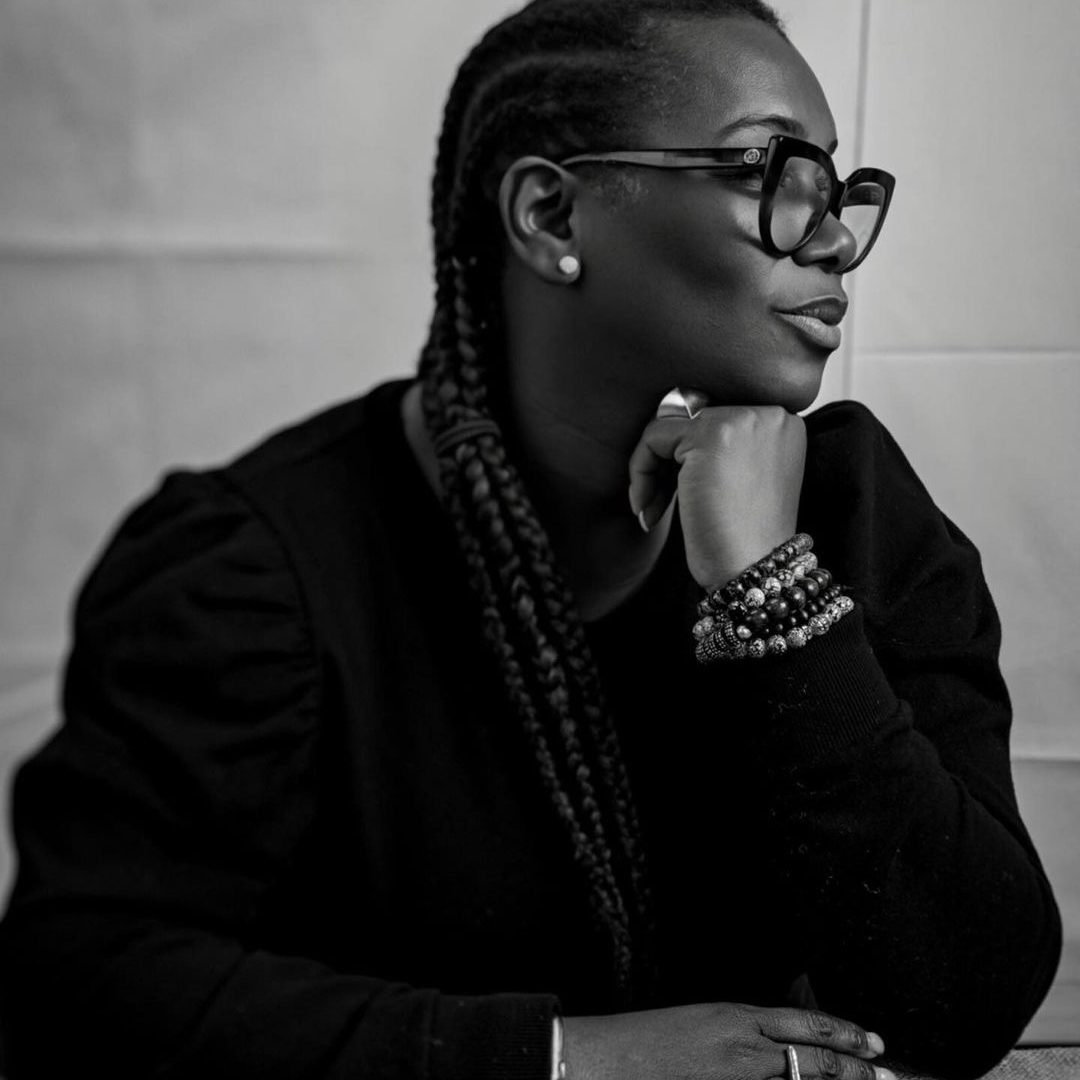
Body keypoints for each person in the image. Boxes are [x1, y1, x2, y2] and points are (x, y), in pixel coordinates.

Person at [0, 1, 1062, 1078]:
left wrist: (770, 592)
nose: (834, 235)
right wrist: (560, 1061)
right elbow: (79, 985)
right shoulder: (263, 570)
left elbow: (968, 1006)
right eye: (767, 170)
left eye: (835, 186)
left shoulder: (850, 512)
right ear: (552, 217)